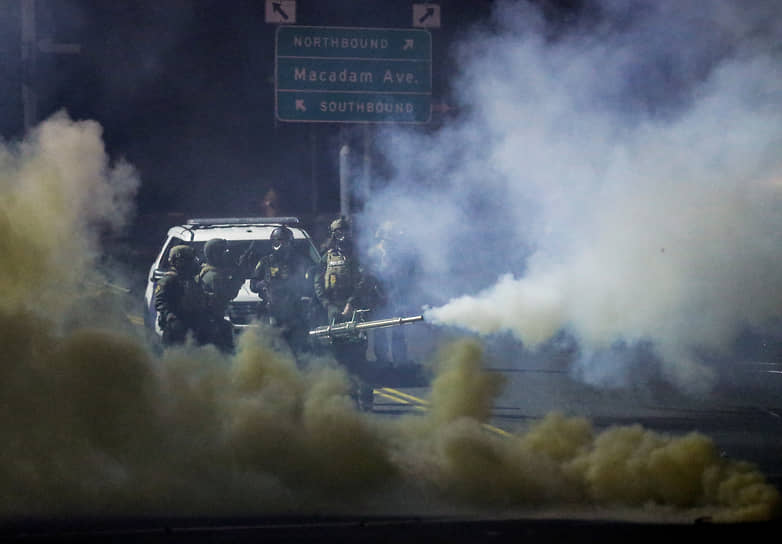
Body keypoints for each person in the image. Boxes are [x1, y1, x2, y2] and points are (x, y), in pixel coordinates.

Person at [313, 216, 379, 410]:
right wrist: (327, 305)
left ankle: (366, 400)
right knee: (339, 358)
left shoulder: (358, 256)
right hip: (333, 312)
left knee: (358, 358)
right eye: (337, 232)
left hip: (355, 312)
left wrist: (351, 303)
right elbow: (318, 282)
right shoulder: (327, 256)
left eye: (344, 231)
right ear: (333, 234)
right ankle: (348, 400)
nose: (341, 235)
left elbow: (364, 281)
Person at [249, 226, 315, 357]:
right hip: (272, 310)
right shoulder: (266, 261)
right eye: (277, 241)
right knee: (271, 347)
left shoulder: (300, 262)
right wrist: (265, 285)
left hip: (294, 312)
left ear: (290, 243)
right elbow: (253, 284)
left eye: (284, 241)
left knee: (297, 348)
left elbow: (309, 286)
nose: (280, 245)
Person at [154, 244, 204, 347]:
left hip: (192, 324)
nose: (191, 263)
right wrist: (170, 316)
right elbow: (159, 301)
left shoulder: (191, 279)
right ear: (178, 261)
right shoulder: (169, 280)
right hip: (176, 328)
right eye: (188, 260)